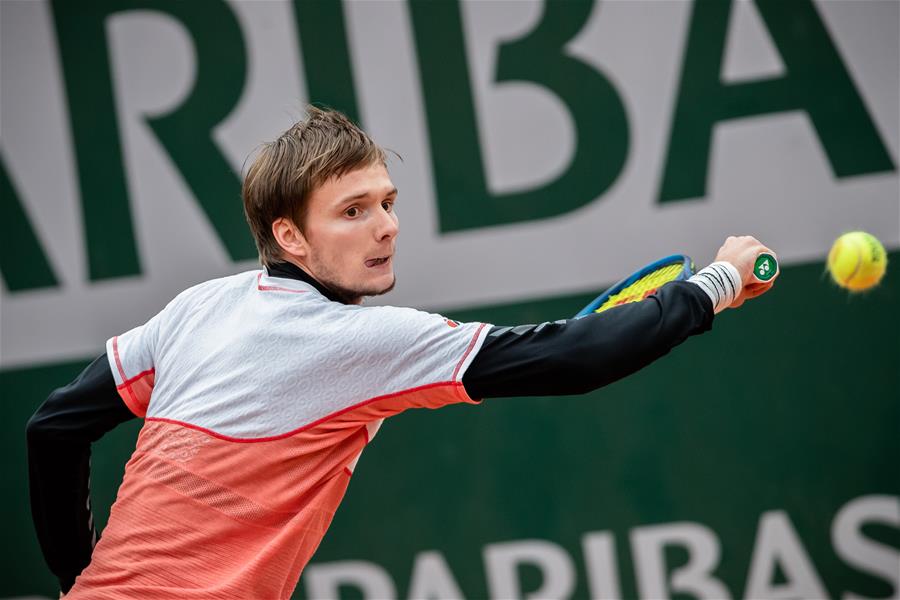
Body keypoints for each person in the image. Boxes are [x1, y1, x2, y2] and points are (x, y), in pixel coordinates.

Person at [27, 107, 775, 598]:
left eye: (387, 202)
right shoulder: (364, 342)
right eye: (353, 211)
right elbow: (574, 359)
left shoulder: (197, 309)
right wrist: (714, 285)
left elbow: (54, 427)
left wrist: (82, 580)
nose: (385, 226)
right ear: (289, 235)